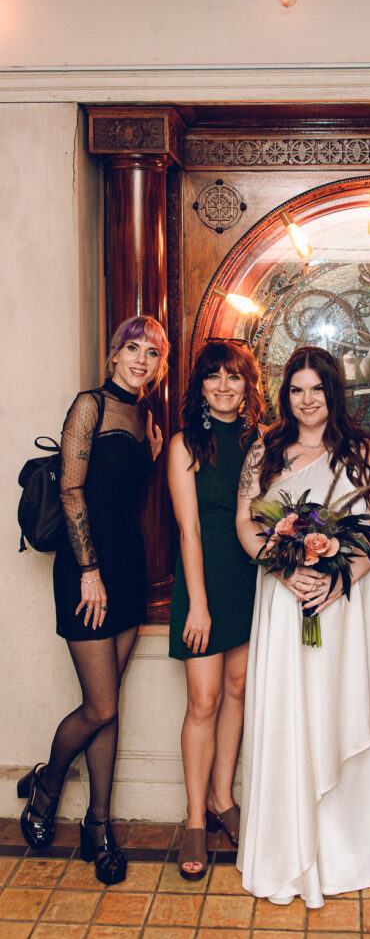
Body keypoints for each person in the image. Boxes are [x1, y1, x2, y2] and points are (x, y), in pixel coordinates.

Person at [235, 346, 370, 907]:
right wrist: (282, 568)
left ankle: (340, 854)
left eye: (317, 389)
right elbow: (245, 520)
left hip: (341, 603)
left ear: (334, 392)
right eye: (297, 390)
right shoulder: (265, 449)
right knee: (287, 713)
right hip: (284, 601)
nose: (307, 401)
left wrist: (340, 577)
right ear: (286, 395)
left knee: (334, 710)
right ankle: (283, 852)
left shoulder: (364, 451)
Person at [18, 315, 169, 885]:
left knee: (108, 703)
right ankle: (47, 783)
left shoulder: (145, 418)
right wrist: (88, 571)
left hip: (128, 568)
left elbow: (122, 492)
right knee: (100, 707)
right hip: (88, 571)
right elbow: (72, 487)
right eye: (133, 348)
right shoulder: (90, 406)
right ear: (114, 355)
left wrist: (151, 456)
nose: (140, 360)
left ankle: (97, 825)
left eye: (151, 353)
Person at [168, 339, 264, 880]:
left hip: (248, 576)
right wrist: (198, 605)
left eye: (234, 376)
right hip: (202, 579)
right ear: (200, 386)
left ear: (248, 385)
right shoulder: (186, 444)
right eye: (213, 376)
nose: (224, 386)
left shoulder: (261, 442)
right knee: (203, 701)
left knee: (237, 689)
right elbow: (189, 529)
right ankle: (194, 819)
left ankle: (223, 798)